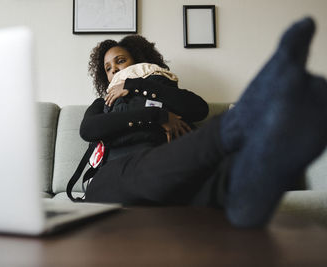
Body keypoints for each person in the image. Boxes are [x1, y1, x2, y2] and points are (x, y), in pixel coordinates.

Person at [77, 17, 327, 228]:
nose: (114, 70)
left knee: (191, 184)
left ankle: (241, 200)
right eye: (108, 68)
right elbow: (88, 129)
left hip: (165, 166)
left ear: (138, 59)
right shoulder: (103, 104)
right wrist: (158, 116)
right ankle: (236, 124)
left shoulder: (160, 87)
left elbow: (197, 109)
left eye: (120, 61)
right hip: (110, 179)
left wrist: (135, 84)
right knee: (132, 175)